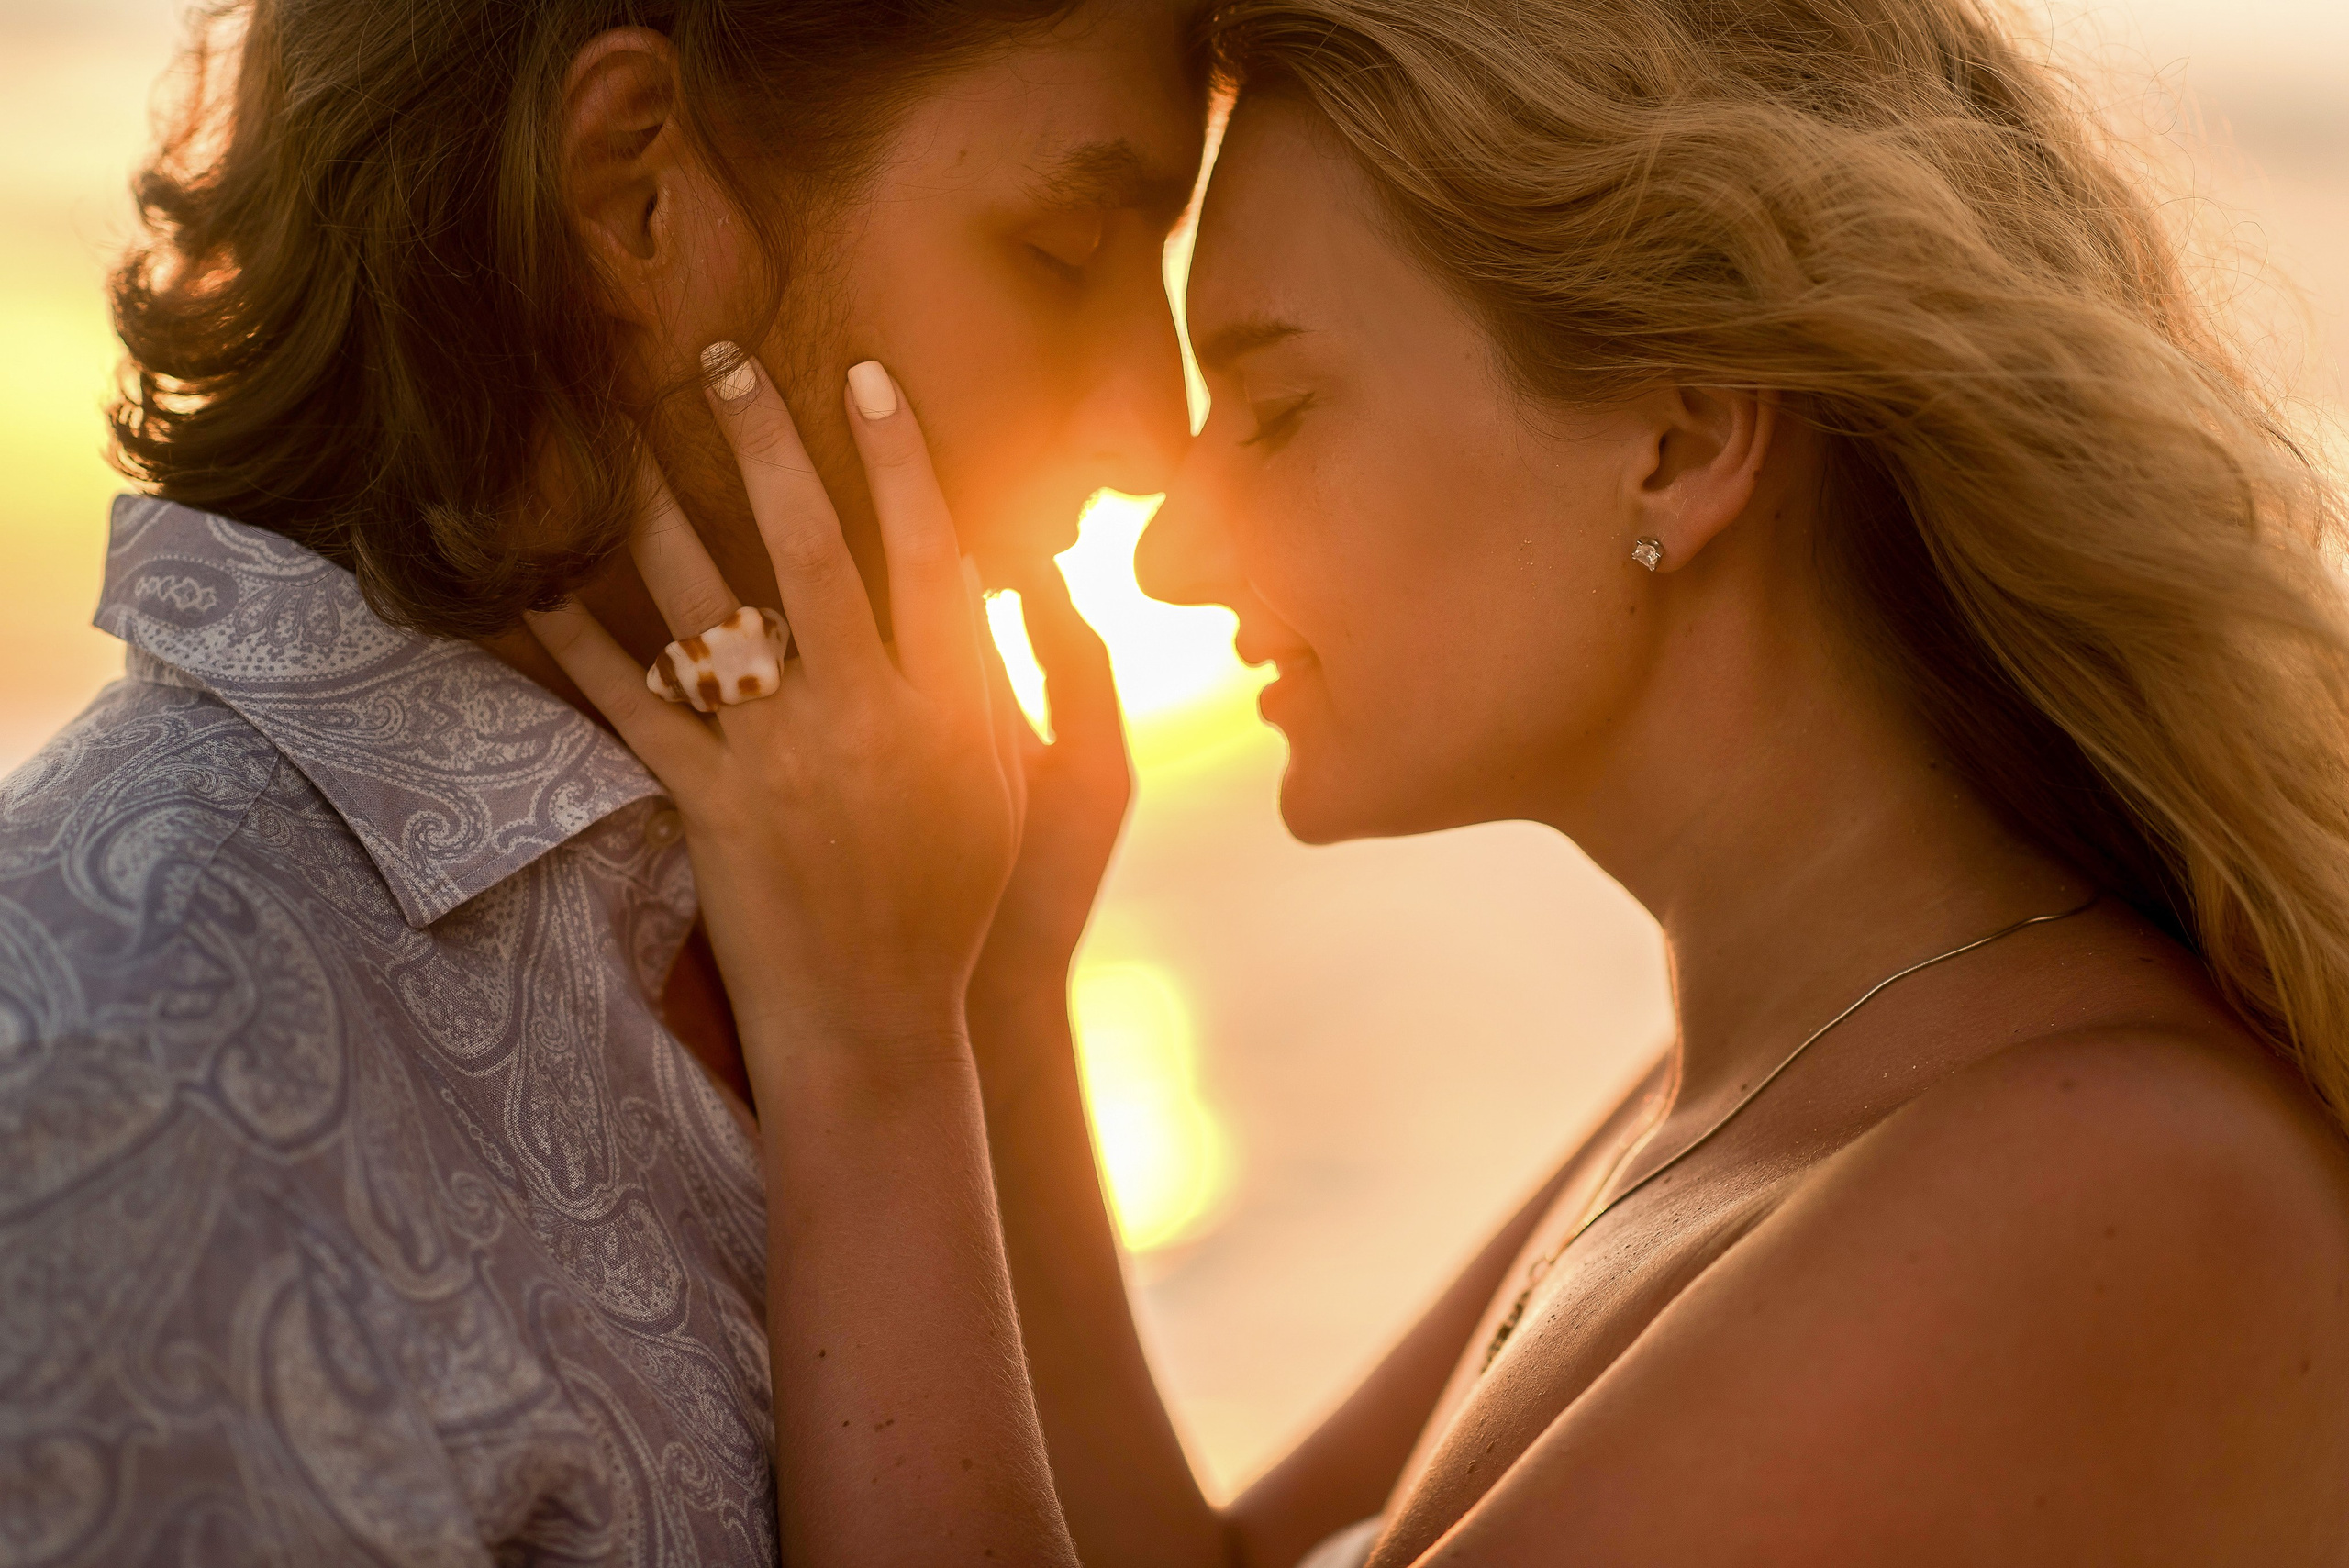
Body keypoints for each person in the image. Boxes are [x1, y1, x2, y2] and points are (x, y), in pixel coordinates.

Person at [535, 0, 2349, 1562]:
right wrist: (1005, 998)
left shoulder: (2091, 1190)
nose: (1165, 554)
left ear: (1677, 438)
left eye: (1273, 405)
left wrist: (868, 1042)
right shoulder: (1785, 1071)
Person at [0, 0, 1203, 1560]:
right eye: (1066, 246)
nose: (1157, 428)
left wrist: (973, 998)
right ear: (634, 197)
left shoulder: (801, 884)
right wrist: (886, 1045)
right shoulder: (114, 1105)